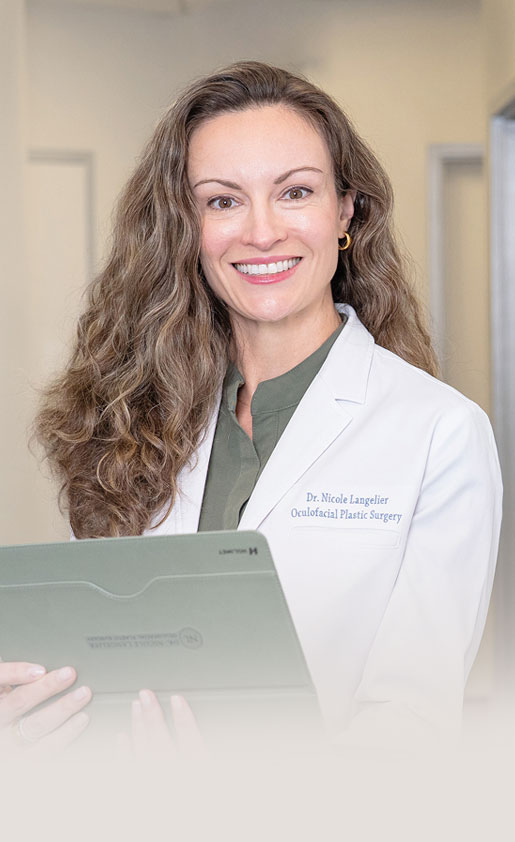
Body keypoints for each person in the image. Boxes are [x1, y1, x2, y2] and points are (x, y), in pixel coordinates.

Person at [1, 61, 502, 751]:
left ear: (345, 210)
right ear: (184, 226)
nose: (261, 233)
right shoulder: (127, 416)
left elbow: (409, 724)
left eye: (295, 192)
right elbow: (96, 660)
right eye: (222, 201)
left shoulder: (438, 433)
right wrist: (37, 715)